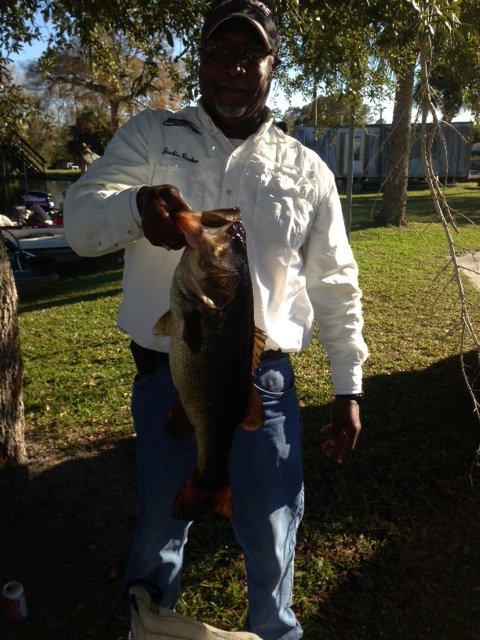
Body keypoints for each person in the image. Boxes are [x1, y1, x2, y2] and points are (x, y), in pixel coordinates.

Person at [63, 1, 368, 638]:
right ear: (199, 60)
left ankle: (275, 631)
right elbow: (81, 223)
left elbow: (336, 281)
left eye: (250, 53)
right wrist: (137, 207)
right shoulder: (152, 134)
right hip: (167, 377)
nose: (233, 66)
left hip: (266, 388)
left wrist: (348, 387)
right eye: (219, 51)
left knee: (273, 530)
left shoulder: (307, 168)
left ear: (273, 64)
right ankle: (148, 624)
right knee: (159, 526)